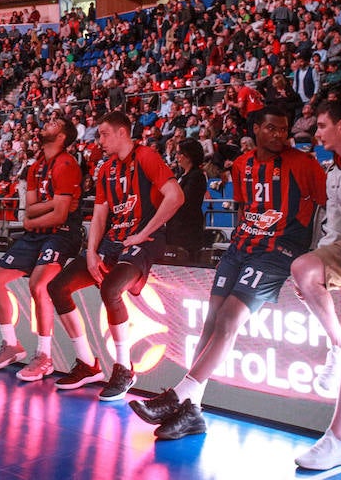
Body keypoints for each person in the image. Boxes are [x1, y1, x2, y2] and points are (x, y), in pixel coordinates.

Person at [129, 106, 326, 439]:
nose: (280, 134)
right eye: (272, 128)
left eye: (284, 128)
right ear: (255, 131)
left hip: (277, 252)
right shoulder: (242, 164)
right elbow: (248, 208)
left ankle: (179, 395)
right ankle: (193, 411)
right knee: (211, 319)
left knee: (229, 319)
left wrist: (318, 254)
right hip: (240, 248)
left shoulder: (304, 165)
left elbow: (328, 204)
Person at [47, 110, 184, 401]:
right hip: (114, 241)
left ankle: (124, 367)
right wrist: (91, 252)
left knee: (111, 288)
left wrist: (145, 231)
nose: (100, 140)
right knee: (57, 287)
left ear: (123, 133)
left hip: (143, 240)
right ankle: (87, 363)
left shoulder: (146, 156)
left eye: (104, 134)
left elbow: (175, 195)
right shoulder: (105, 168)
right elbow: (98, 215)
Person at [290, 100, 341, 470]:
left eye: (321, 126)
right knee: (303, 269)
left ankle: (339, 439)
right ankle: (334, 347)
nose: (315, 132)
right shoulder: (332, 168)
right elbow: (335, 232)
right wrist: (316, 272)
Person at [0, 116, 83, 381]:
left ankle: (44, 356)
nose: (45, 125)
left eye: (53, 124)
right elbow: (31, 208)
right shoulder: (35, 166)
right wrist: (45, 208)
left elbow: (61, 216)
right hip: (36, 233)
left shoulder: (67, 164)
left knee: (39, 286)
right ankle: (11, 345)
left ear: (62, 136)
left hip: (61, 235)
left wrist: (39, 211)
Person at [166, 138, 207, 261]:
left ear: (188, 156)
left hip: (188, 230)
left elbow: (185, 201)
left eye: (179, 153)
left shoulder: (196, 176)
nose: (177, 156)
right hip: (175, 227)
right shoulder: (181, 175)